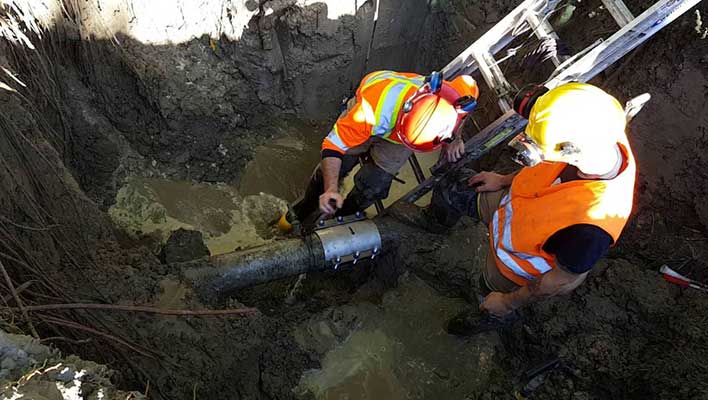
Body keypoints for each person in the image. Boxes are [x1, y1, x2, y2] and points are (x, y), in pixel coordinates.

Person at [428, 82, 637, 335]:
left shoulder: (592, 226)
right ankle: (433, 225)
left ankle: (481, 321)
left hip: (509, 268)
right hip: (511, 204)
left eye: (538, 150)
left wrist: (508, 301)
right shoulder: (596, 125)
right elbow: (543, 168)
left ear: (572, 153)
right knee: (452, 186)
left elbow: (559, 282)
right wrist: (503, 179)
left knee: (483, 297)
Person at [279, 70, 480, 231]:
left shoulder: (455, 101)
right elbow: (333, 147)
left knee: (374, 186)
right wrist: (331, 188)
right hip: (376, 116)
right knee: (331, 172)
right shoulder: (368, 111)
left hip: (402, 134)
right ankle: (304, 208)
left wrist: (456, 138)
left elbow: (468, 85)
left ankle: (341, 218)